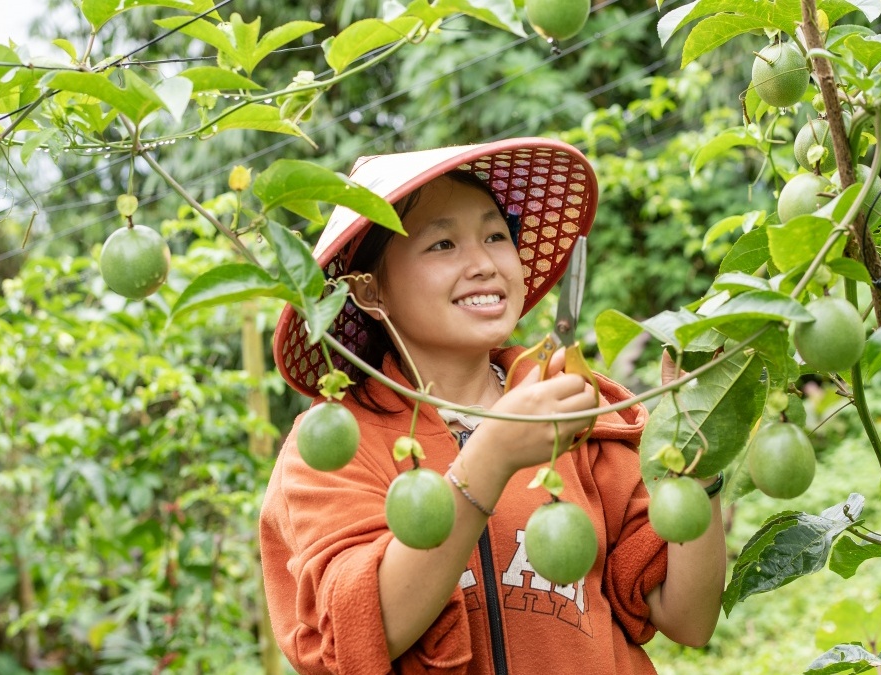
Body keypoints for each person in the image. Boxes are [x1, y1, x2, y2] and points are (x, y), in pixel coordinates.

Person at [261, 138, 726, 675]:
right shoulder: (336, 445)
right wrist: (493, 455)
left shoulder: (578, 410)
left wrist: (696, 438)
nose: (483, 263)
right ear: (369, 291)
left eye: (496, 235)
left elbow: (688, 618)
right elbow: (366, 632)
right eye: (442, 245)